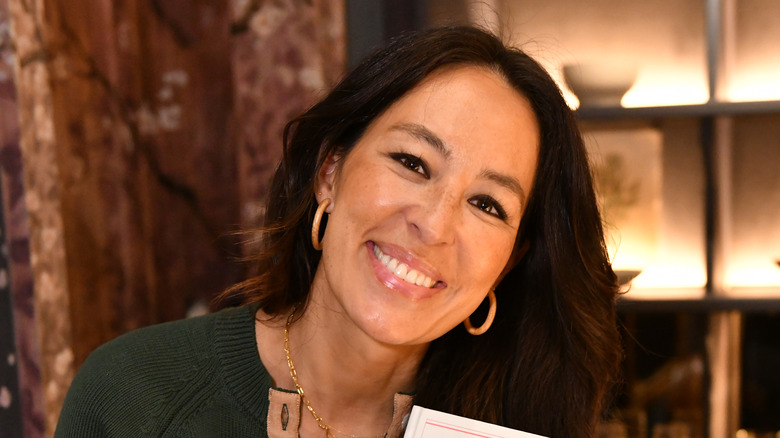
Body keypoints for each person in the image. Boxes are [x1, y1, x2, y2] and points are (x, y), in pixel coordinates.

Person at [55, 26, 622, 438]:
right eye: (413, 163)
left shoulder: (516, 425)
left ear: (511, 260)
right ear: (330, 173)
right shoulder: (136, 397)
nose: (434, 224)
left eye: (486, 204)